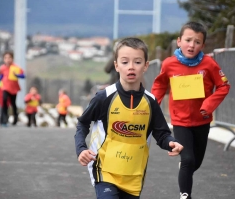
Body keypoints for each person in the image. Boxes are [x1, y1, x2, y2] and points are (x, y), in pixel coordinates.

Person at [75, 37, 183, 199]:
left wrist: (170, 143)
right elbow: (82, 124)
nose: (131, 67)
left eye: (137, 62)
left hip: (133, 173)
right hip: (105, 170)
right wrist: (81, 149)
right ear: (116, 65)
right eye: (125, 62)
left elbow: (161, 133)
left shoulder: (150, 102)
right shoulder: (104, 98)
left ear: (146, 65)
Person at [151, 22, 230, 199]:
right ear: (179, 41)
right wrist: (153, 106)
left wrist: (209, 105)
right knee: (187, 160)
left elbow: (224, 86)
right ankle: (185, 195)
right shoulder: (169, 64)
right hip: (180, 122)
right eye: (188, 40)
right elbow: (160, 84)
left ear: (203, 45)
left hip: (202, 121)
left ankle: (185, 171)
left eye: (197, 42)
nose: (191, 45)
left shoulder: (209, 64)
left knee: (196, 162)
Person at [0, 51, 25, 127]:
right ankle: (4, 119)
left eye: (9, 58)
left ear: (12, 59)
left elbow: (23, 75)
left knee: (13, 103)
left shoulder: (16, 67)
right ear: (4, 59)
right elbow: (1, 75)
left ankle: (15, 119)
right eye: (6, 58)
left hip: (13, 88)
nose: (7, 59)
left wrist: (17, 75)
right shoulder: (2, 67)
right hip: (5, 87)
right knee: (4, 101)